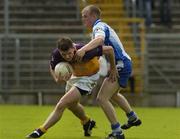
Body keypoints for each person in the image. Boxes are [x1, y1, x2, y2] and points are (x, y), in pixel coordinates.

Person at [26, 37, 117, 138]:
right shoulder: (57, 54)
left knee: (62, 104)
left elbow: (109, 49)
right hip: (75, 76)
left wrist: (113, 68)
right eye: (63, 54)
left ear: (73, 48)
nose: (67, 57)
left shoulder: (84, 51)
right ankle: (87, 122)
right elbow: (52, 66)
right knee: (71, 105)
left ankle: (40, 130)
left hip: (88, 78)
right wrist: (56, 78)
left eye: (70, 53)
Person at [75, 5, 142, 139]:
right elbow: (101, 49)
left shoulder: (98, 27)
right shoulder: (100, 27)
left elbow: (99, 41)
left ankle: (117, 132)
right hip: (122, 63)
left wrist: (83, 50)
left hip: (120, 64)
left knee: (101, 98)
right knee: (113, 95)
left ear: (94, 16)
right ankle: (132, 118)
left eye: (85, 16)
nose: (83, 19)